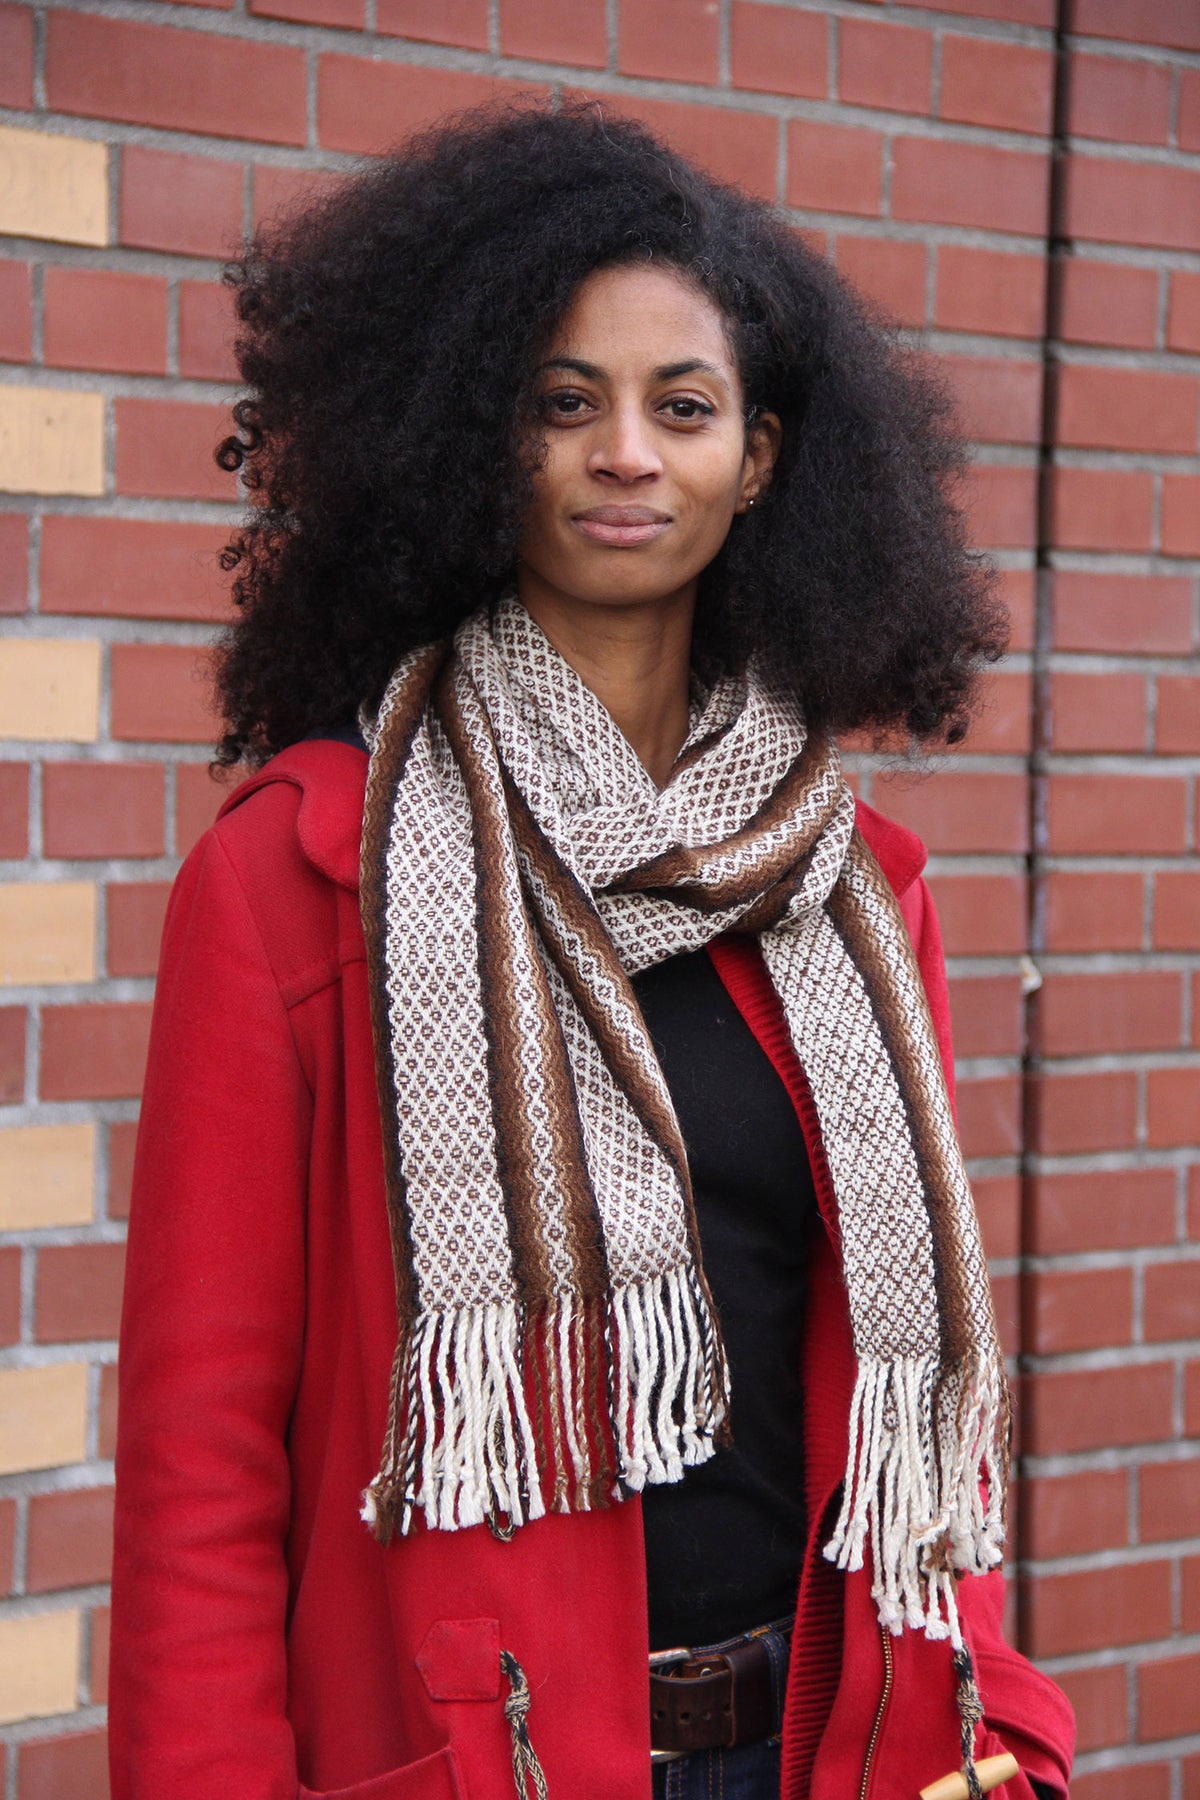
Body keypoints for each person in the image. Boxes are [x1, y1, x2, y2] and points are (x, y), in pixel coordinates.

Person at [109, 104, 1075, 1800]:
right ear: (477, 441)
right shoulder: (297, 878)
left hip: (821, 1751)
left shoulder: (854, 891)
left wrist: (990, 1718)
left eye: (682, 407)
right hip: (487, 1762)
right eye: (565, 403)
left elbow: (911, 1412)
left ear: (761, 457)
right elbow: (199, 1471)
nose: (627, 452)